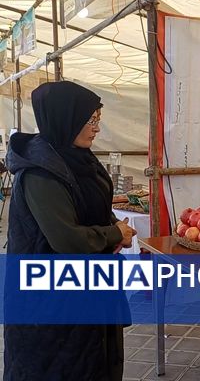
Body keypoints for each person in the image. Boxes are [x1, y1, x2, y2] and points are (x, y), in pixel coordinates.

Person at [4, 81, 136, 381]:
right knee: (61, 367)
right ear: (66, 118)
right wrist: (114, 234)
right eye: (90, 120)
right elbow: (67, 238)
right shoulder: (41, 173)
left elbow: (91, 205)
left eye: (98, 120)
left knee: (96, 362)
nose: (96, 128)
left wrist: (113, 226)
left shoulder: (78, 159)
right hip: (52, 302)